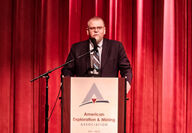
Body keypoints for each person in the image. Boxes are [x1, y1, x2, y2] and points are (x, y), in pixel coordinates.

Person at [61, 16, 132, 92]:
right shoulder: (77, 48)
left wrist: (126, 83)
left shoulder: (116, 47)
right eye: (92, 28)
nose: (96, 30)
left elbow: (126, 69)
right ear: (87, 31)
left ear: (104, 30)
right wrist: (66, 84)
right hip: (83, 93)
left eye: (99, 28)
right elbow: (67, 70)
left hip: (109, 92)